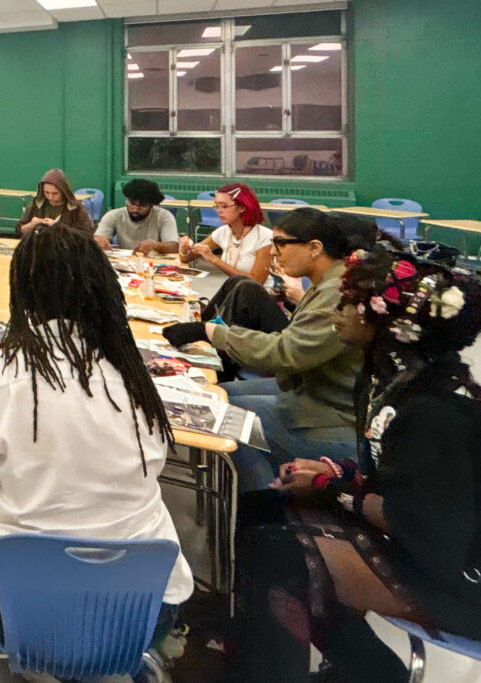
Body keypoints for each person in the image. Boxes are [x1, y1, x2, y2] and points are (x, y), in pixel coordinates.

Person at [0, 224, 193, 656]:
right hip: (141, 610)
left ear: (22, 290)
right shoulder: (132, 374)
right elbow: (155, 468)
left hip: (18, 606)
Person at [229, 245, 481, 682]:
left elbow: (419, 523)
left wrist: (331, 487)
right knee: (257, 509)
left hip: (457, 576)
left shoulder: (434, 410)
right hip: (425, 540)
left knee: (280, 554)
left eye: (349, 303)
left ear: (385, 320)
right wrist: (339, 475)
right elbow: (393, 479)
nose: (338, 311)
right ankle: (365, 671)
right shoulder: (394, 382)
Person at [163, 209, 385, 492]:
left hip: (326, 417)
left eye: (280, 244)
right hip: (313, 394)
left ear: (315, 248)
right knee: (218, 393)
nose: (273, 252)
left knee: (222, 416)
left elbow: (286, 353)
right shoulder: (333, 281)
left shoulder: (339, 291)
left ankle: (260, 505)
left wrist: (211, 332)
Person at [178, 183, 272, 283]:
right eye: (217, 206)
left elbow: (256, 281)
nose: (219, 211)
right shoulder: (223, 232)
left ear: (242, 207)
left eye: (224, 206)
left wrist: (214, 260)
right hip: (235, 291)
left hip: (260, 295)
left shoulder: (265, 237)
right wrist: (184, 249)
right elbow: (187, 258)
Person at [94, 178, 179, 255]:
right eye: (132, 203)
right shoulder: (114, 215)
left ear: (151, 205)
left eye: (142, 205)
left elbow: (174, 246)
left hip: (154, 262)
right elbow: (98, 238)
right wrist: (99, 241)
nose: (135, 209)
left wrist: (155, 245)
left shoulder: (164, 216)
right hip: (125, 260)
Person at [15, 168, 94, 237]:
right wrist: (30, 225)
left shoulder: (76, 208)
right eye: (46, 192)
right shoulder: (37, 204)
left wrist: (59, 228)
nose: (50, 197)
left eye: (55, 193)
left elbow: (87, 235)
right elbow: (19, 230)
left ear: (63, 191)